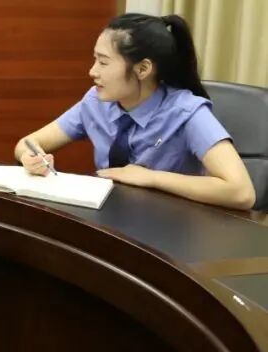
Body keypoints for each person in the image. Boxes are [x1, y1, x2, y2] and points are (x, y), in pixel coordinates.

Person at [15, 13, 254, 210]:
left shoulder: (187, 112)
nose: (92, 71)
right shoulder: (96, 102)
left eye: (104, 62)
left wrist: (151, 177)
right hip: (111, 220)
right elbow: (28, 143)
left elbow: (241, 192)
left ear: (143, 69)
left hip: (172, 229)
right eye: (94, 60)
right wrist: (31, 157)